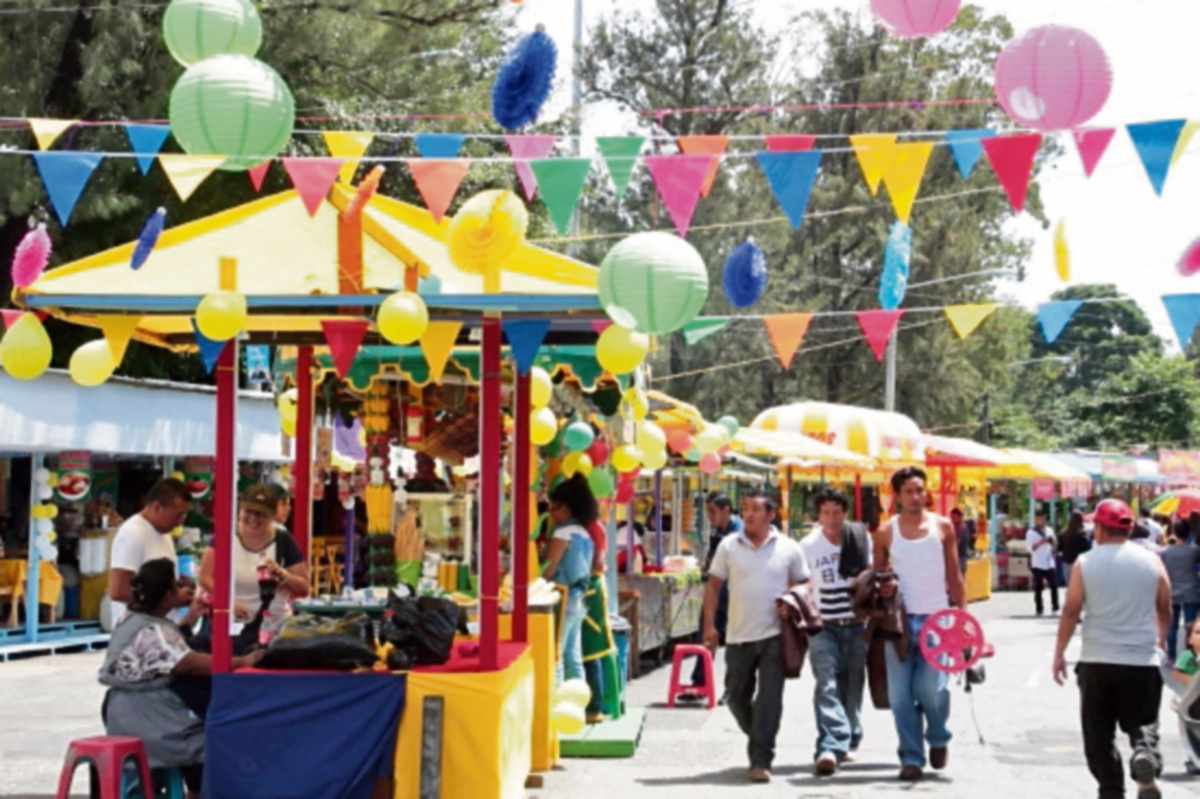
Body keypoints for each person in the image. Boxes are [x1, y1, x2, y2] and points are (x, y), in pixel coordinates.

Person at [99, 559, 262, 799]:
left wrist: (189, 618)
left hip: (121, 715)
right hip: (150, 722)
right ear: (166, 598)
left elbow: (167, 647)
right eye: (176, 588)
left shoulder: (130, 620)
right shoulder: (153, 631)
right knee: (212, 740)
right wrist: (242, 662)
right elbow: (188, 663)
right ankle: (199, 793)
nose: (182, 591)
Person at [1053, 499, 1171, 799]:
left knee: (1099, 735)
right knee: (1143, 722)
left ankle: (1111, 790)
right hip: (1142, 661)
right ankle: (1144, 759)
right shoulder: (1153, 561)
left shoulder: (1086, 562)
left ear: (1100, 529)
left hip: (1097, 661)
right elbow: (1164, 606)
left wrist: (1059, 654)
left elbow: (1070, 610)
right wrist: (1159, 641)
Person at [703, 487, 809, 784]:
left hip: (776, 635)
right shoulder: (728, 546)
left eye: (754, 509)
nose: (747, 514)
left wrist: (792, 600)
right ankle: (760, 735)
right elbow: (712, 587)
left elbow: (805, 584)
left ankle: (761, 759)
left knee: (769, 699)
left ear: (770, 514)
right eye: (745, 508)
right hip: (737, 636)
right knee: (736, 697)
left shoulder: (788, 547)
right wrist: (709, 626)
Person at [872, 467, 965, 782]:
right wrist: (882, 587)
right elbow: (877, 575)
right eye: (909, 491)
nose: (916, 497)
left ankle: (938, 735)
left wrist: (962, 618)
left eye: (920, 491)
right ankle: (911, 757)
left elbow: (954, 574)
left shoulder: (942, 527)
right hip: (898, 623)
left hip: (938, 620)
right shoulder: (886, 532)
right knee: (900, 696)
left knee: (928, 687)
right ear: (897, 496)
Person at [801, 487, 871, 776]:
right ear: (818, 515)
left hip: (856, 624)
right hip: (822, 625)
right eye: (826, 512)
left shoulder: (859, 538)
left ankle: (850, 734)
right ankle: (829, 746)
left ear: (844, 513)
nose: (831, 518)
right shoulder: (807, 545)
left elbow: (871, 570)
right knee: (826, 683)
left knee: (852, 686)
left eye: (836, 512)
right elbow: (803, 580)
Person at [199, 486, 309, 635]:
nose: (253, 518)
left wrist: (283, 576)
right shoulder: (224, 536)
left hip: (273, 629)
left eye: (260, 514)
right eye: (248, 511)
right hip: (231, 628)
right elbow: (205, 577)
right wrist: (228, 602)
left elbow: (304, 588)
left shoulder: (283, 539)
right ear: (239, 511)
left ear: (271, 516)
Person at [108, 478, 193, 625]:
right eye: (178, 514)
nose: (181, 521)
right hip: (138, 635)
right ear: (157, 507)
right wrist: (170, 599)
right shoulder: (133, 533)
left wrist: (177, 587)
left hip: (162, 630)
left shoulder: (165, 533)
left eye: (185, 515)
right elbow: (118, 591)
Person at [543, 475, 597, 685]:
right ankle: (578, 704)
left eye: (553, 508)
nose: (551, 514)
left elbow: (548, 570)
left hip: (562, 596)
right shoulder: (584, 534)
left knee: (556, 654)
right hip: (580, 597)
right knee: (573, 655)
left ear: (565, 508)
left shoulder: (562, 534)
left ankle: (555, 704)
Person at [690, 492, 741, 691]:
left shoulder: (737, 533)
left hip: (733, 592)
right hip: (717, 591)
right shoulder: (718, 531)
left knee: (735, 642)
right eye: (708, 512)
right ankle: (700, 681)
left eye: (713, 511)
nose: (710, 516)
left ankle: (733, 688)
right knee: (706, 633)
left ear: (725, 510)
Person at [581, 497, 617, 723]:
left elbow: (595, 562)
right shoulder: (592, 526)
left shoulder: (590, 528)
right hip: (591, 586)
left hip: (590, 588)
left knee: (590, 650)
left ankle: (594, 706)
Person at [1161, 521, 1200, 661]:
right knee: (1191, 627)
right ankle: (1190, 657)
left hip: (1173, 591)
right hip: (1192, 591)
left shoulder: (1165, 551)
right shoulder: (1194, 550)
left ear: (1174, 532)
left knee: (1173, 626)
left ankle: (1171, 656)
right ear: (1189, 532)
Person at [1027, 510, 1060, 617]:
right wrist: (1041, 541)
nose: (1043, 521)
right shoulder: (1031, 533)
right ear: (1036, 520)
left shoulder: (1049, 530)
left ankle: (1055, 607)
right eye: (1041, 519)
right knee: (1038, 587)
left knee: (1054, 585)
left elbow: (1054, 544)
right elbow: (1030, 548)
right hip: (1038, 562)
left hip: (1049, 561)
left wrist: (1053, 543)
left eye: (1044, 519)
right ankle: (1039, 609)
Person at [1173, 617, 1200, 686]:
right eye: (1198, 632)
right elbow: (1176, 674)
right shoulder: (1186, 656)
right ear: (1189, 639)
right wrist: (1193, 680)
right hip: (1190, 694)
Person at [950, 508, 971, 576]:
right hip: (958, 558)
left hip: (960, 558)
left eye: (954, 517)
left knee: (959, 579)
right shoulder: (956, 527)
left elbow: (956, 543)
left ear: (959, 517)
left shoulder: (961, 527)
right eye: (951, 517)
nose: (952, 519)